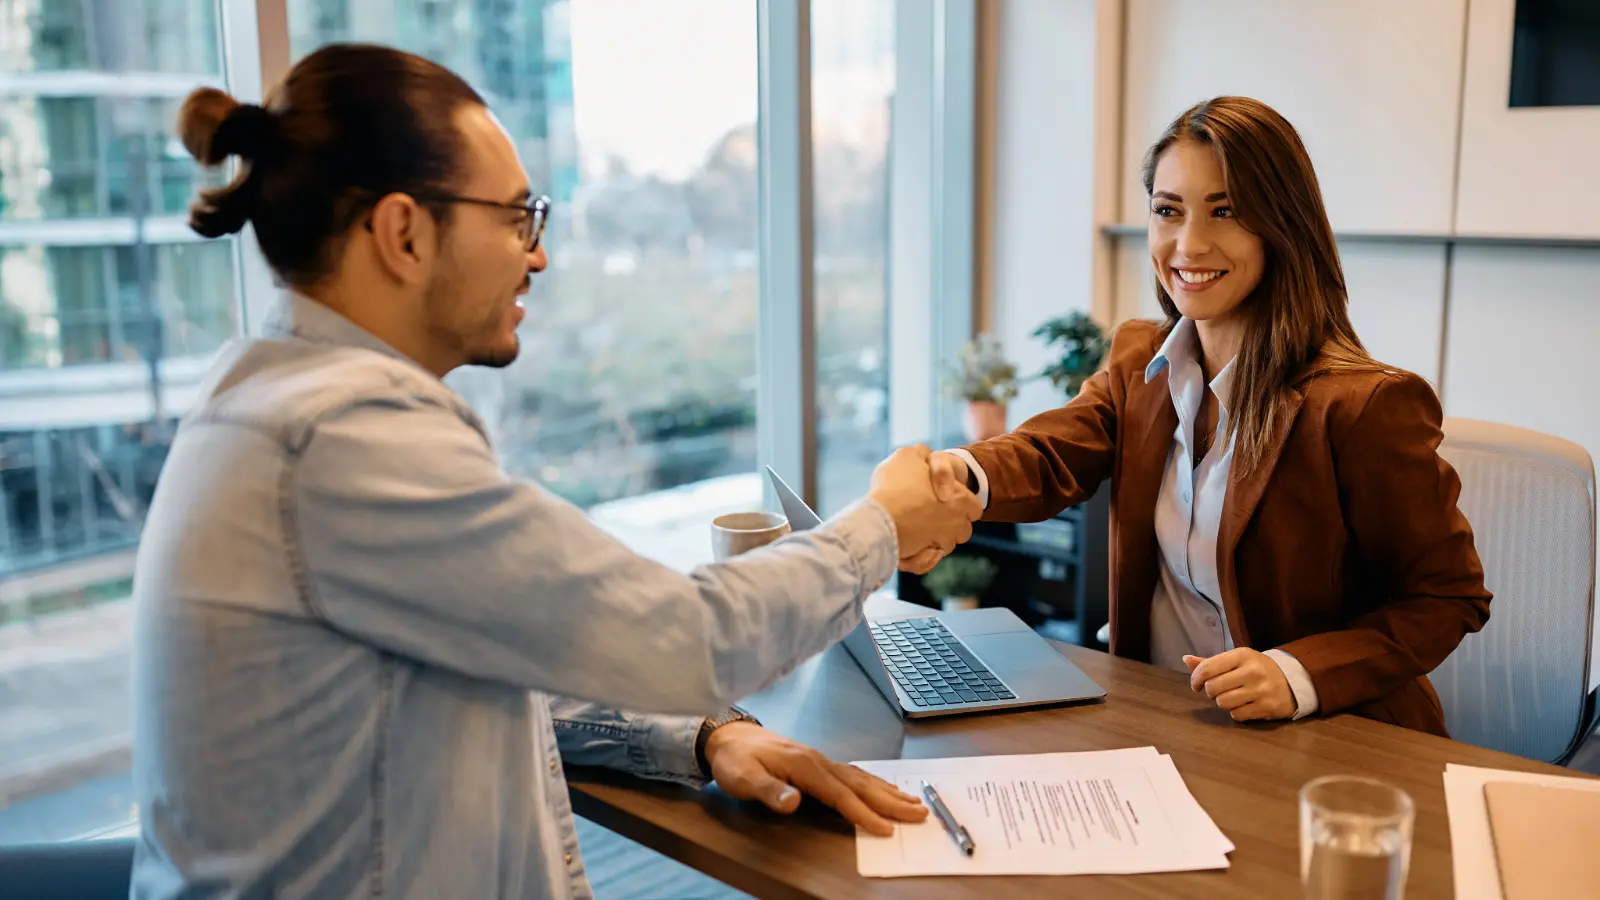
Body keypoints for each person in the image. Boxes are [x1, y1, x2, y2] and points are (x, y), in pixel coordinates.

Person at [130, 44, 982, 899]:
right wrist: (883, 526)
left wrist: (704, 736)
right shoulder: (343, 438)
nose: (536, 255)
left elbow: (506, 644)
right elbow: (693, 637)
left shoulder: (269, 399)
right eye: (516, 217)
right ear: (404, 233)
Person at [914, 96, 1490, 736]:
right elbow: (1051, 454)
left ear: (1282, 223)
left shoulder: (1363, 405)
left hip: (1326, 740)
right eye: (1168, 211)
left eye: (1226, 211)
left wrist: (1295, 672)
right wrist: (944, 478)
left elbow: (1448, 596)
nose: (1188, 244)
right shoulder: (1141, 361)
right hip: (1165, 722)